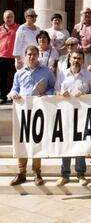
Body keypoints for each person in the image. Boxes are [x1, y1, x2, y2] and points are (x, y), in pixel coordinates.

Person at [8, 45, 55, 186]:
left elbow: (54, 87)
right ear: (25, 56)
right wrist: (13, 94)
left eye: (34, 54)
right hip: (22, 111)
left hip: (39, 112)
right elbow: (14, 89)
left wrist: (46, 94)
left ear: (38, 55)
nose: (31, 56)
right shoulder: (19, 73)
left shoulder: (47, 72)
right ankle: (21, 172)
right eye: (29, 54)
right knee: (21, 141)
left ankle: (37, 173)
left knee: (36, 140)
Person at [55, 50, 91, 186]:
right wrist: (61, 93)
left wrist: (85, 94)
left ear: (83, 60)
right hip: (66, 114)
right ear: (69, 59)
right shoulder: (62, 74)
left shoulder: (88, 75)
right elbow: (55, 91)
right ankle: (65, 175)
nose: (76, 60)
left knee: (80, 144)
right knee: (66, 144)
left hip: (82, 115)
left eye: (79, 58)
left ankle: (81, 174)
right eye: (74, 58)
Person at [0, 10, 19, 104]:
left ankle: (13, 97)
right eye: (7, 17)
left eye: (11, 16)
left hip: (15, 57)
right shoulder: (0, 29)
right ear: (4, 18)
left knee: (14, 78)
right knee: (1, 78)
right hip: (2, 56)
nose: (9, 18)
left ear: (14, 17)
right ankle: (2, 97)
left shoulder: (19, 28)